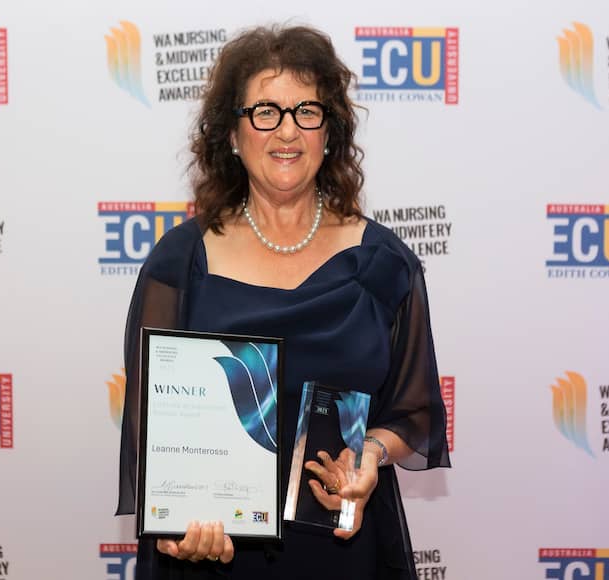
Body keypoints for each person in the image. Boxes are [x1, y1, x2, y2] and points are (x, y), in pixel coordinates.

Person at [117, 24, 450, 580]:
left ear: (330, 130)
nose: (287, 131)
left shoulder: (384, 263)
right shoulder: (180, 265)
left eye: (306, 111)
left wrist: (370, 454)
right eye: (265, 112)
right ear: (231, 133)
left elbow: (412, 414)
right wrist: (177, 525)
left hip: (344, 550)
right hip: (218, 558)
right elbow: (149, 432)